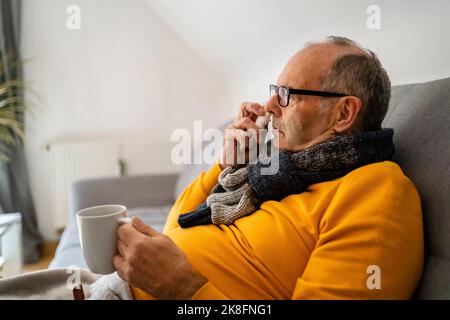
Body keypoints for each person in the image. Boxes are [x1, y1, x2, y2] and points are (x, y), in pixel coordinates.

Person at [113, 36, 424, 300]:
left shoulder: (377, 191)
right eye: (275, 90)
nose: (270, 106)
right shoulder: (277, 172)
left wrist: (184, 289)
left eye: (286, 95)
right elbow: (176, 227)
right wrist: (228, 163)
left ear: (343, 113)